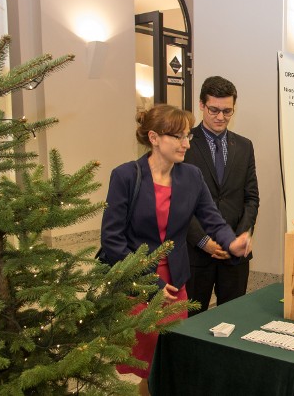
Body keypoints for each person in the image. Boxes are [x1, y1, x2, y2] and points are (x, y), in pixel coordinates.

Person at [100, 104, 250, 396]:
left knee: (169, 363)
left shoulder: (191, 176)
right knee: (149, 366)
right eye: (178, 137)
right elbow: (112, 241)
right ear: (154, 138)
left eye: (187, 137)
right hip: (139, 286)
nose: (186, 143)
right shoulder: (126, 176)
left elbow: (211, 218)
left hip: (177, 283)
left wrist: (231, 241)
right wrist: (151, 282)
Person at [184, 76, 259, 316]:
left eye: (227, 111)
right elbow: (179, 203)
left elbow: (251, 197)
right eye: (214, 110)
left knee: (232, 318)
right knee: (192, 323)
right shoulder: (184, 144)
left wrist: (240, 237)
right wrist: (205, 241)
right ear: (201, 105)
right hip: (196, 254)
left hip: (235, 256)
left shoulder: (244, 146)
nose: (220, 117)